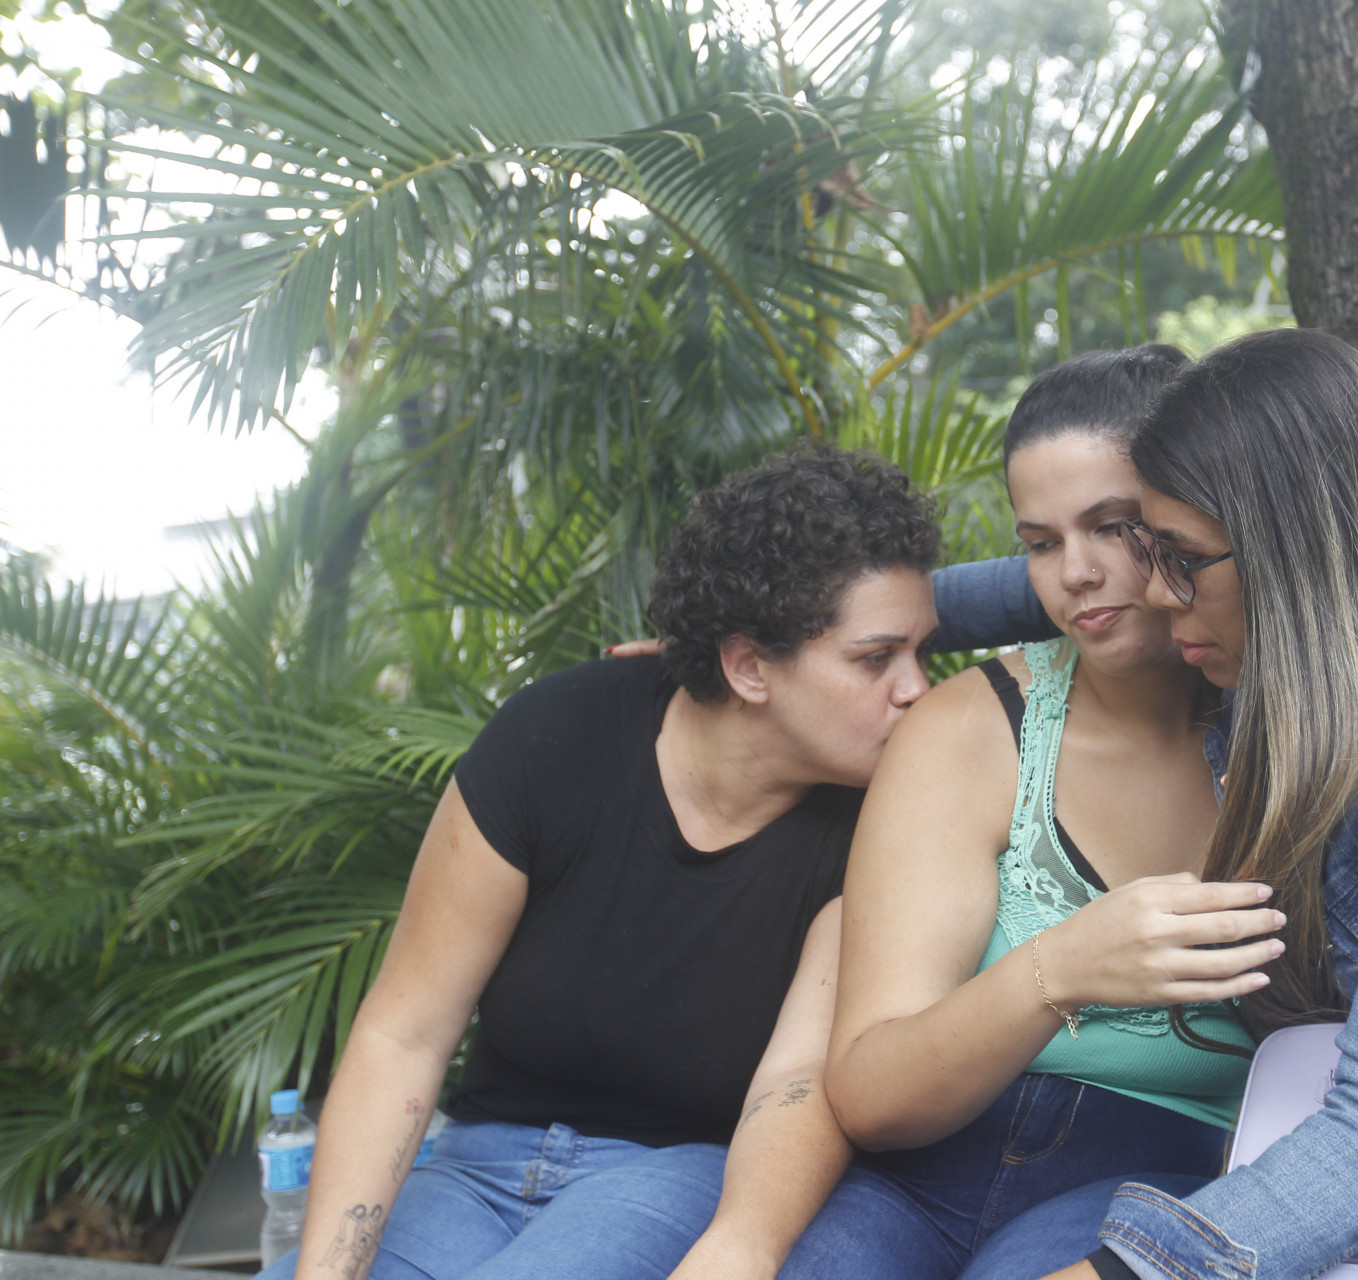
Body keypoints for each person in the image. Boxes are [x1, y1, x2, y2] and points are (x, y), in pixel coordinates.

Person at [802, 344, 1358, 1280]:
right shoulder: (1224, 679)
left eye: (1137, 539)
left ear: (1266, 540)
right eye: (1041, 543)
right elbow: (1012, 589)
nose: (1108, 579)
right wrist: (784, 632)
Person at [261, 448, 944, 1280]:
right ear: (747, 666)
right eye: (877, 659)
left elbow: (797, 1080)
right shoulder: (554, 737)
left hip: (676, 1176)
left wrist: (743, 1245)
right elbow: (402, 1035)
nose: (918, 689)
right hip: (474, 1167)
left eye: (922, 651)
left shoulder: (877, 822)